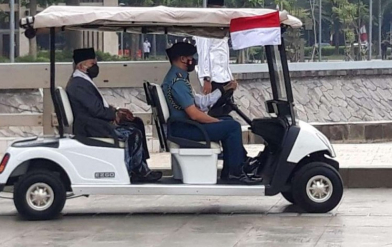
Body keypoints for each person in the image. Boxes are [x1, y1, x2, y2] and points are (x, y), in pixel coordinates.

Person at [162, 42, 260, 185]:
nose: (194, 60)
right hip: (184, 129)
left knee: (227, 119)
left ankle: (238, 164)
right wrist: (216, 122)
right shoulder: (178, 82)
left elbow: (200, 102)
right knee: (232, 127)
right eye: (192, 57)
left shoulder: (179, 78)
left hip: (184, 126)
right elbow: (195, 114)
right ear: (183, 59)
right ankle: (235, 172)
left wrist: (223, 90)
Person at [66, 48, 162, 183]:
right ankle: (132, 170)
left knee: (137, 123)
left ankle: (141, 167)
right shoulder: (78, 84)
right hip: (91, 126)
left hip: (95, 122)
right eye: (92, 64)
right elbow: (96, 110)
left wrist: (118, 111)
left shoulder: (82, 80)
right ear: (81, 66)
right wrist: (115, 115)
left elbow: (97, 106)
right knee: (132, 133)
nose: (95, 67)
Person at [194, 0, 234, 117]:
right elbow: (203, 54)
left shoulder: (221, 29)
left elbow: (224, 55)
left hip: (223, 76)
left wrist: (230, 77)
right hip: (213, 77)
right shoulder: (205, 28)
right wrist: (206, 79)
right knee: (214, 111)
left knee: (227, 108)